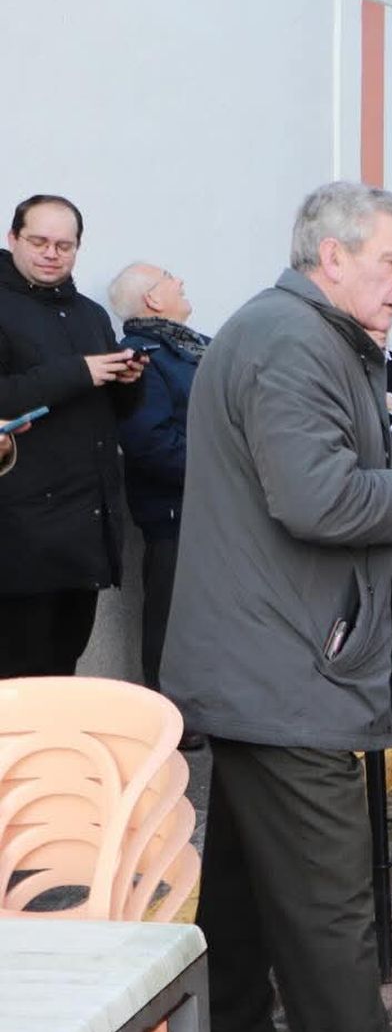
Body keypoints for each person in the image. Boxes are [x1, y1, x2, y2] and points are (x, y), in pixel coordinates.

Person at [160, 182, 392, 1032]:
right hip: (288, 675)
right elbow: (317, 500)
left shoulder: (298, 333)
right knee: (329, 923)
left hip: (274, 668)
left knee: (243, 912)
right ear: (333, 257)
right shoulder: (290, 341)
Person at [0, 194, 145, 679]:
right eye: (39, 241)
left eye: (65, 245)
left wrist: (129, 382)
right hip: (21, 530)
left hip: (86, 525)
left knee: (64, 670)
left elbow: (114, 413)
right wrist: (78, 372)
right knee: (20, 677)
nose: (51, 253)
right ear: (12, 238)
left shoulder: (90, 314)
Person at [109, 263, 209, 748]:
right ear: (152, 299)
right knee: (171, 618)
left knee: (208, 616)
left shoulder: (188, 347)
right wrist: (219, 472)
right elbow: (149, 443)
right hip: (174, 508)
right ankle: (173, 719)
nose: (181, 280)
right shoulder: (142, 357)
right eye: (171, 276)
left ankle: (207, 708)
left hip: (209, 507)